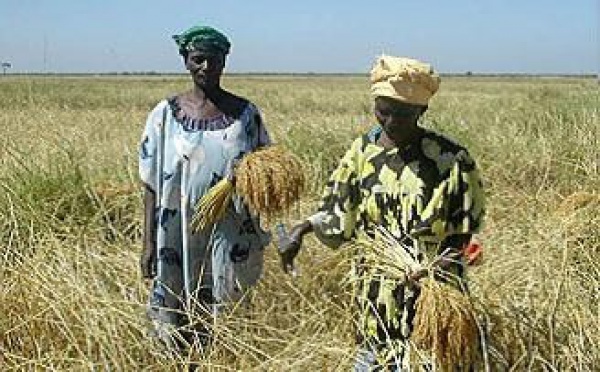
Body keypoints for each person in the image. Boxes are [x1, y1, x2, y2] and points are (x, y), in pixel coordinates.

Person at [280, 55, 486, 370]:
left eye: (402, 115)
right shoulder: (362, 152)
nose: (391, 123)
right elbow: (339, 210)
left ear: (422, 110)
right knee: (374, 357)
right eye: (383, 112)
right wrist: (302, 229)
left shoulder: (451, 159)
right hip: (377, 295)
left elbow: (462, 236)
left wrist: (428, 270)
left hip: (433, 293)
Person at [138, 25, 271, 350]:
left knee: (227, 309)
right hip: (176, 231)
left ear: (225, 62)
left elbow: (268, 169)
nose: (206, 68)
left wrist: (248, 177)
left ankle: (224, 360)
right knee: (175, 307)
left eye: (214, 60)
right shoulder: (165, 115)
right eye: (198, 59)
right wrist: (148, 242)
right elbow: (150, 184)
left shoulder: (245, 115)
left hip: (228, 232)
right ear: (185, 61)